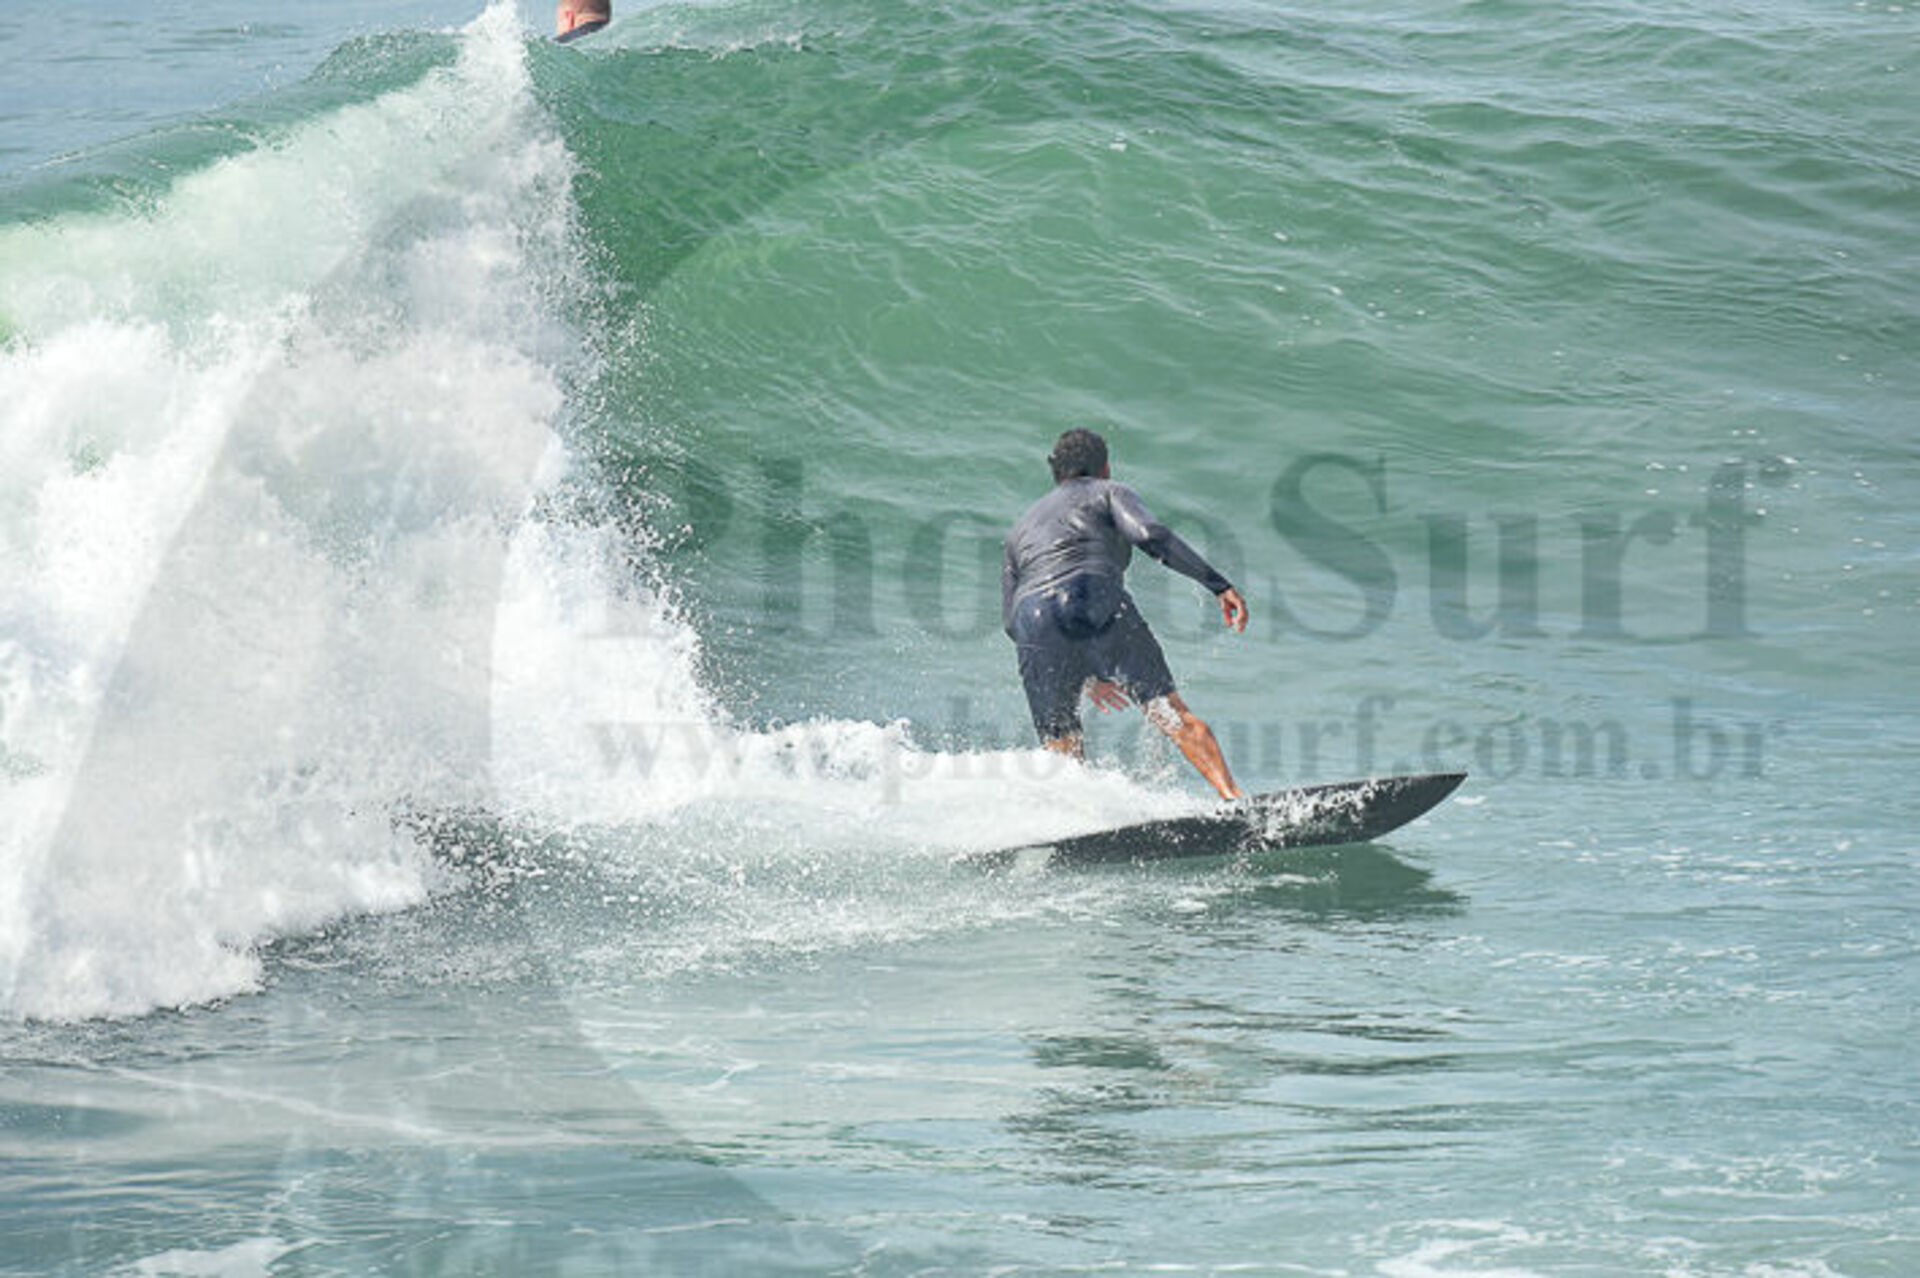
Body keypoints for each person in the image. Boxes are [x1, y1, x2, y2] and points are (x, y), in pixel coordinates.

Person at [1002, 428, 1250, 800]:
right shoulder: (1108, 491)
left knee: (1062, 750)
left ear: (1056, 472)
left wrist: (1083, 673)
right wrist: (1217, 585)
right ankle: (1233, 799)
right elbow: (1148, 534)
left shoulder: (1019, 531)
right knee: (1170, 714)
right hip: (1092, 595)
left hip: (1030, 621)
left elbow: (1011, 623)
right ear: (1105, 468)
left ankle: (1077, 825)